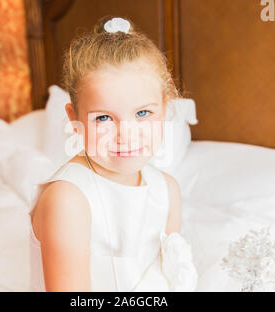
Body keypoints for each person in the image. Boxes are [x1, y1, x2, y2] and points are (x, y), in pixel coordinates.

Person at [30, 16, 197, 292]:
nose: (126, 134)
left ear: (165, 108)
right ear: (74, 118)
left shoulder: (167, 190)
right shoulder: (68, 199)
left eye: (143, 113)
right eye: (104, 118)